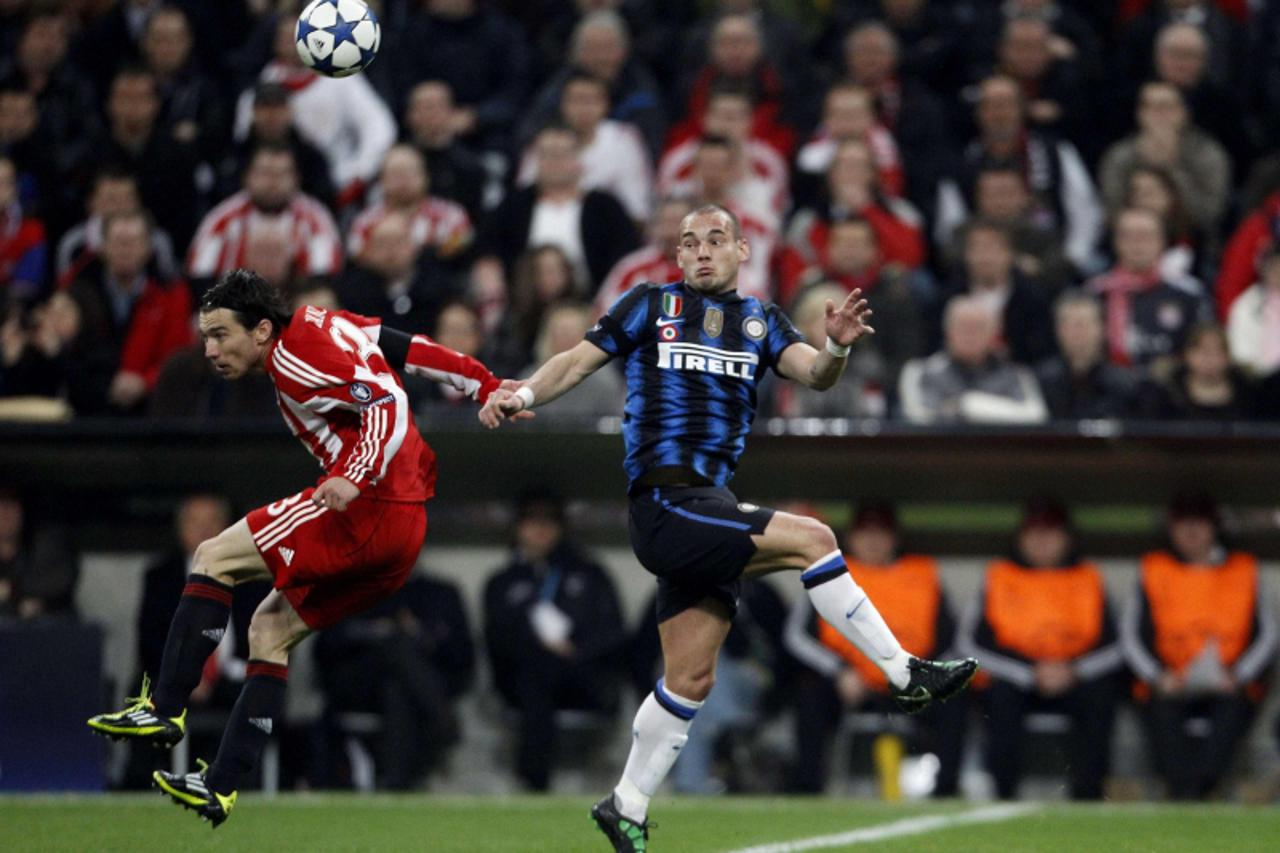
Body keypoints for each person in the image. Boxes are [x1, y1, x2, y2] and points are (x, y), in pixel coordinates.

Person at [480, 204, 976, 851]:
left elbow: (818, 375)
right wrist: (521, 394)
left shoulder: (760, 321)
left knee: (690, 677)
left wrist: (837, 345)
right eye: (689, 243)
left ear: (743, 250)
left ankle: (625, 802)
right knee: (815, 540)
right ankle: (904, 672)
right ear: (677, 257)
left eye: (716, 239)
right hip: (666, 501)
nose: (701, 251)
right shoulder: (647, 305)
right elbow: (576, 360)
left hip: (706, 505)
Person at [87, 268, 511, 826]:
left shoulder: (294, 358)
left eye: (220, 335)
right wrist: (482, 380)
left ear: (261, 330)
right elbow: (408, 348)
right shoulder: (325, 324)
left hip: (366, 506)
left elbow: (388, 403)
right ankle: (221, 783)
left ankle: (163, 711)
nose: (210, 349)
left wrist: (354, 475)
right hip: (403, 527)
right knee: (270, 629)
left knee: (213, 557)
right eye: (206, 336)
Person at [784, 502, 966, 797]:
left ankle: (946, 791)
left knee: (954, 696)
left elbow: (951, 641)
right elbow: (797, 637)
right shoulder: (830, 573)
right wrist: (839, 672)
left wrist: (922, 677)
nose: (872, 541)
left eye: (881, 533)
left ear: (895, 538)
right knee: (809, 691)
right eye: (864, 533)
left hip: (910, 683)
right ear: (851, 538)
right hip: (851, 683)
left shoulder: (922, 574)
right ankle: (808, 789)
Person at [958, 499, 1124, 800]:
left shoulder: (1088, 577)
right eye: (1034, 532)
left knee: (1101, 696)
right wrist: (1028, 673)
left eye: (1051, 533)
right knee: (998, 697)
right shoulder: (999, 575)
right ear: (1020, 538)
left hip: (1075, 676)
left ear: (1067, 538)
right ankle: (1003, 795)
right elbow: (970, 643)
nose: (1042, 541)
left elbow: (1115, 645)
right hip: (1017, 677)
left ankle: (1088, 798)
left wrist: (1073, 672)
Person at [1121, 492, 1277, 800]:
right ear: (1171, 528)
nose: (1191, 531)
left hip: (1228, 682)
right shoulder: (1154, 568)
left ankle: (1206, 789)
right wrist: (1158, 676)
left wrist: (1238, 675)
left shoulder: (1244, 568)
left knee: (1232, 710)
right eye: (1183, 523)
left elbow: (1268, 634)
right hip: (1171, 680)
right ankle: (1179, 791)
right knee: (1161, 710)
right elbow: (1131, 636)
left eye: (1200, 523)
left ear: (1214, 527)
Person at [483, 489, 628, 792]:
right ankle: (534, 785)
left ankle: (535, 782)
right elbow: (496, 641)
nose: (540, 527)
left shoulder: (591, 575)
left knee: (547, 671)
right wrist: (539, 648)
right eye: (531, 519)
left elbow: (614, 633)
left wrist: (575, 652)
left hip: (583, 677)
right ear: (516, 527)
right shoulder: (502, 582)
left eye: (549, 519)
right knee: (536, 672)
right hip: (525, 684)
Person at [898, 296, 1049, 425]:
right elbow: (918, 417)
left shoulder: (1016, 375)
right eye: (963, 326)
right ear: (947, 331)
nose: (970, 334)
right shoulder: (921, 371)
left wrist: (969, 404)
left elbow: (1035, 416)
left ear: (994, 333)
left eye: (979, 327)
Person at [1034, 291, 1141, 420]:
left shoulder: (1127, 386)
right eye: (1068, 325)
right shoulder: (1039, 383)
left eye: (1083, 324)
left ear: (1102, 329)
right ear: (1057, 330)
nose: (1076, 333)